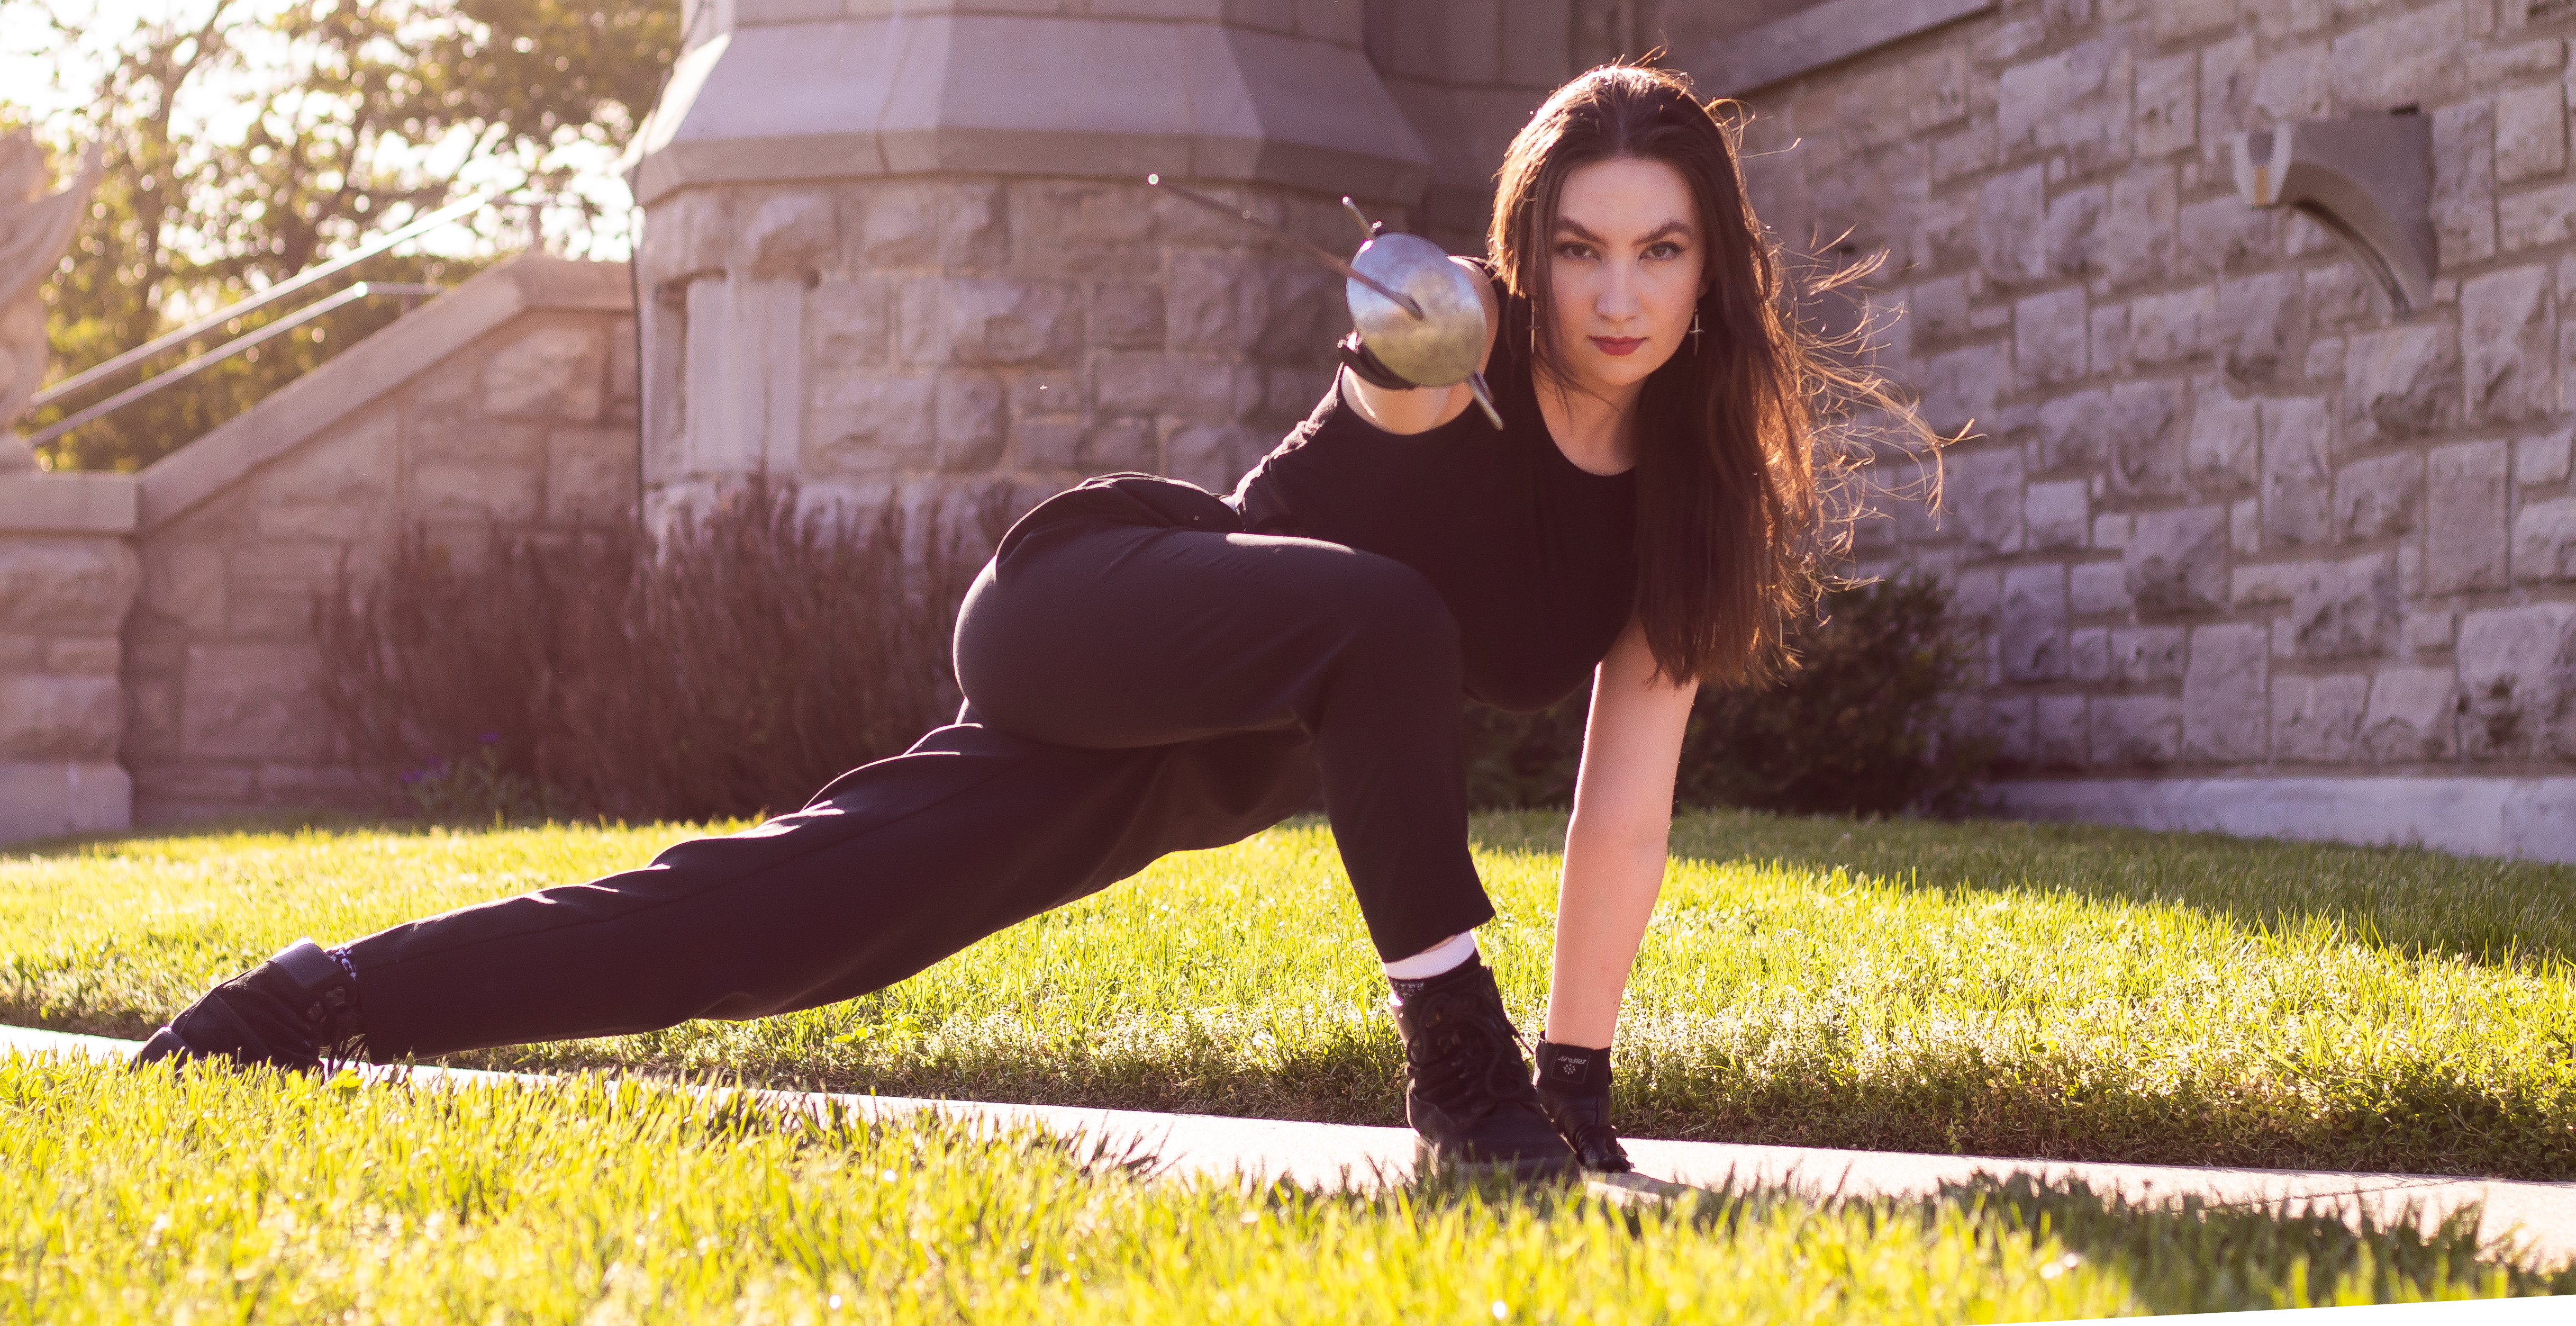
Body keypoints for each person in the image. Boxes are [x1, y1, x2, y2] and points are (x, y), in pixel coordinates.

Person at [138, 61, 1865, 1179]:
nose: (1617, 292)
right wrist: (1408, 325)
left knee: (774, 930)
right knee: (1390, 613)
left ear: (1717, 270)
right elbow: (1396, 391)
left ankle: (305, 1006)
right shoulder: (1462, 351)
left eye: (1660, 251)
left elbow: (1621, 806)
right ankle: (1451, 1080)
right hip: (1098, 605)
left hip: (1168, 764)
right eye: (1579, 249)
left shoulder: (1683, 506)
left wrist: (1587, 1085)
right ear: (1529, 253)